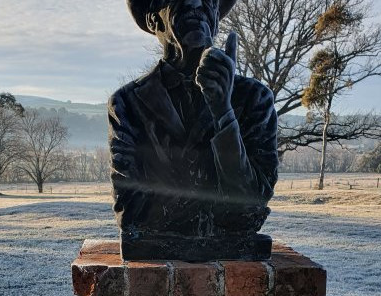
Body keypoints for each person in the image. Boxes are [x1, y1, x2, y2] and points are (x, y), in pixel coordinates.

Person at [109, 0, 279, 259]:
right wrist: (211, 208)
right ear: (155, 21)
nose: (195, 3)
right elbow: (131, 211)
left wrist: (224, 114)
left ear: (216, 20)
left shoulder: (254, 99)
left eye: (208, 0)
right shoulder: (127, 104)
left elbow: (250, 210)